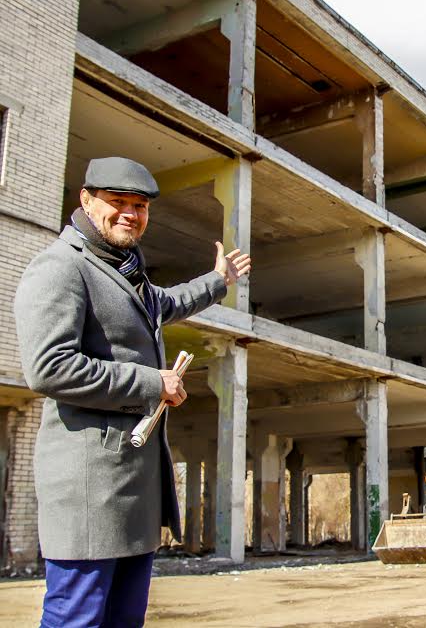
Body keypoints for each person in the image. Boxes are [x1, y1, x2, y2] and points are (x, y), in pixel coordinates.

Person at [14, 157, 251, 627]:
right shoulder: (60, 268)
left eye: (139, 206)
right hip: (89, 492)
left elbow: (163, 304)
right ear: (86, 200)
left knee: (125, 619)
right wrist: (151, 382)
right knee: (76, 618)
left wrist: (218, 281)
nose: (129, 213)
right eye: (117, 202)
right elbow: (48, 368)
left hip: (129, 492)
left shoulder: (124, 273)